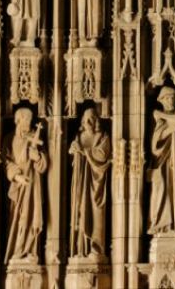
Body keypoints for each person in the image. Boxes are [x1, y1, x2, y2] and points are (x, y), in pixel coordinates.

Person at [3, 108, 47, 263]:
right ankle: (17, 249)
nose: (29, 122)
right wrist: (16, 176)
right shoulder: (9, 140)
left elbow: (44, 164)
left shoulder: (35, 138)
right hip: (18, 187)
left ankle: (30, 250)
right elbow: (6, 162)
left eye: (30, 119)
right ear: (18, 120)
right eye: (26, 119)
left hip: (32, 186)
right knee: (18, 217)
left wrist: (38, 158)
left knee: (31, 216)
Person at [69, 108, 112, 259]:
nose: (88, 122)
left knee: (96, 210)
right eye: (85, 119)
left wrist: (85, 152)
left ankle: (96, 248)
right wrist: (76, 151)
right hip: (82, 181)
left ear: (97, 121)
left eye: (91, 119)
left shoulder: (102, 136)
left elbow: (102, 155)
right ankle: (81, 248)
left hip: (96, 181)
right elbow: (73, 154)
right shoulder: (79, 137)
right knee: (80, 211)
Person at [149, 88, 175, 235]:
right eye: (167, 98)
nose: (171, 101)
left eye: (173, 98)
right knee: (160, 190)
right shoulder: (159, 121)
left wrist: (162, 116)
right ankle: (159, 224)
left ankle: (174, 224)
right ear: (162, 100)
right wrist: (168, 130)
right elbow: (155, 147)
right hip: (160, 163)